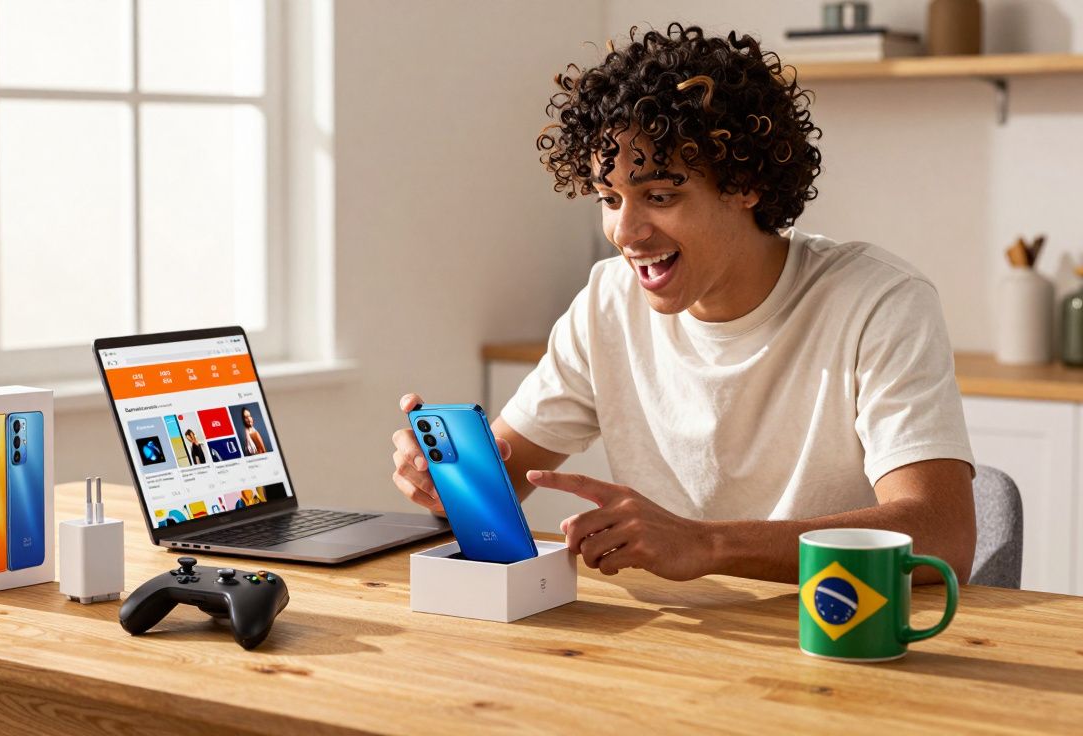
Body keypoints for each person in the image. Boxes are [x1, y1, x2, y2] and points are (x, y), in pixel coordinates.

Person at [390, 24, 976, 585]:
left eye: (661, 195)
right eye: (609, 198)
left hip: (832, 624)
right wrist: (447, 483)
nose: (626, 232)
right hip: (676, 635)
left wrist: (706, 544)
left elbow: (941, 536)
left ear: (746, 185)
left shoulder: (877, 302)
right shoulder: (607, 303)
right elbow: (504, 478)